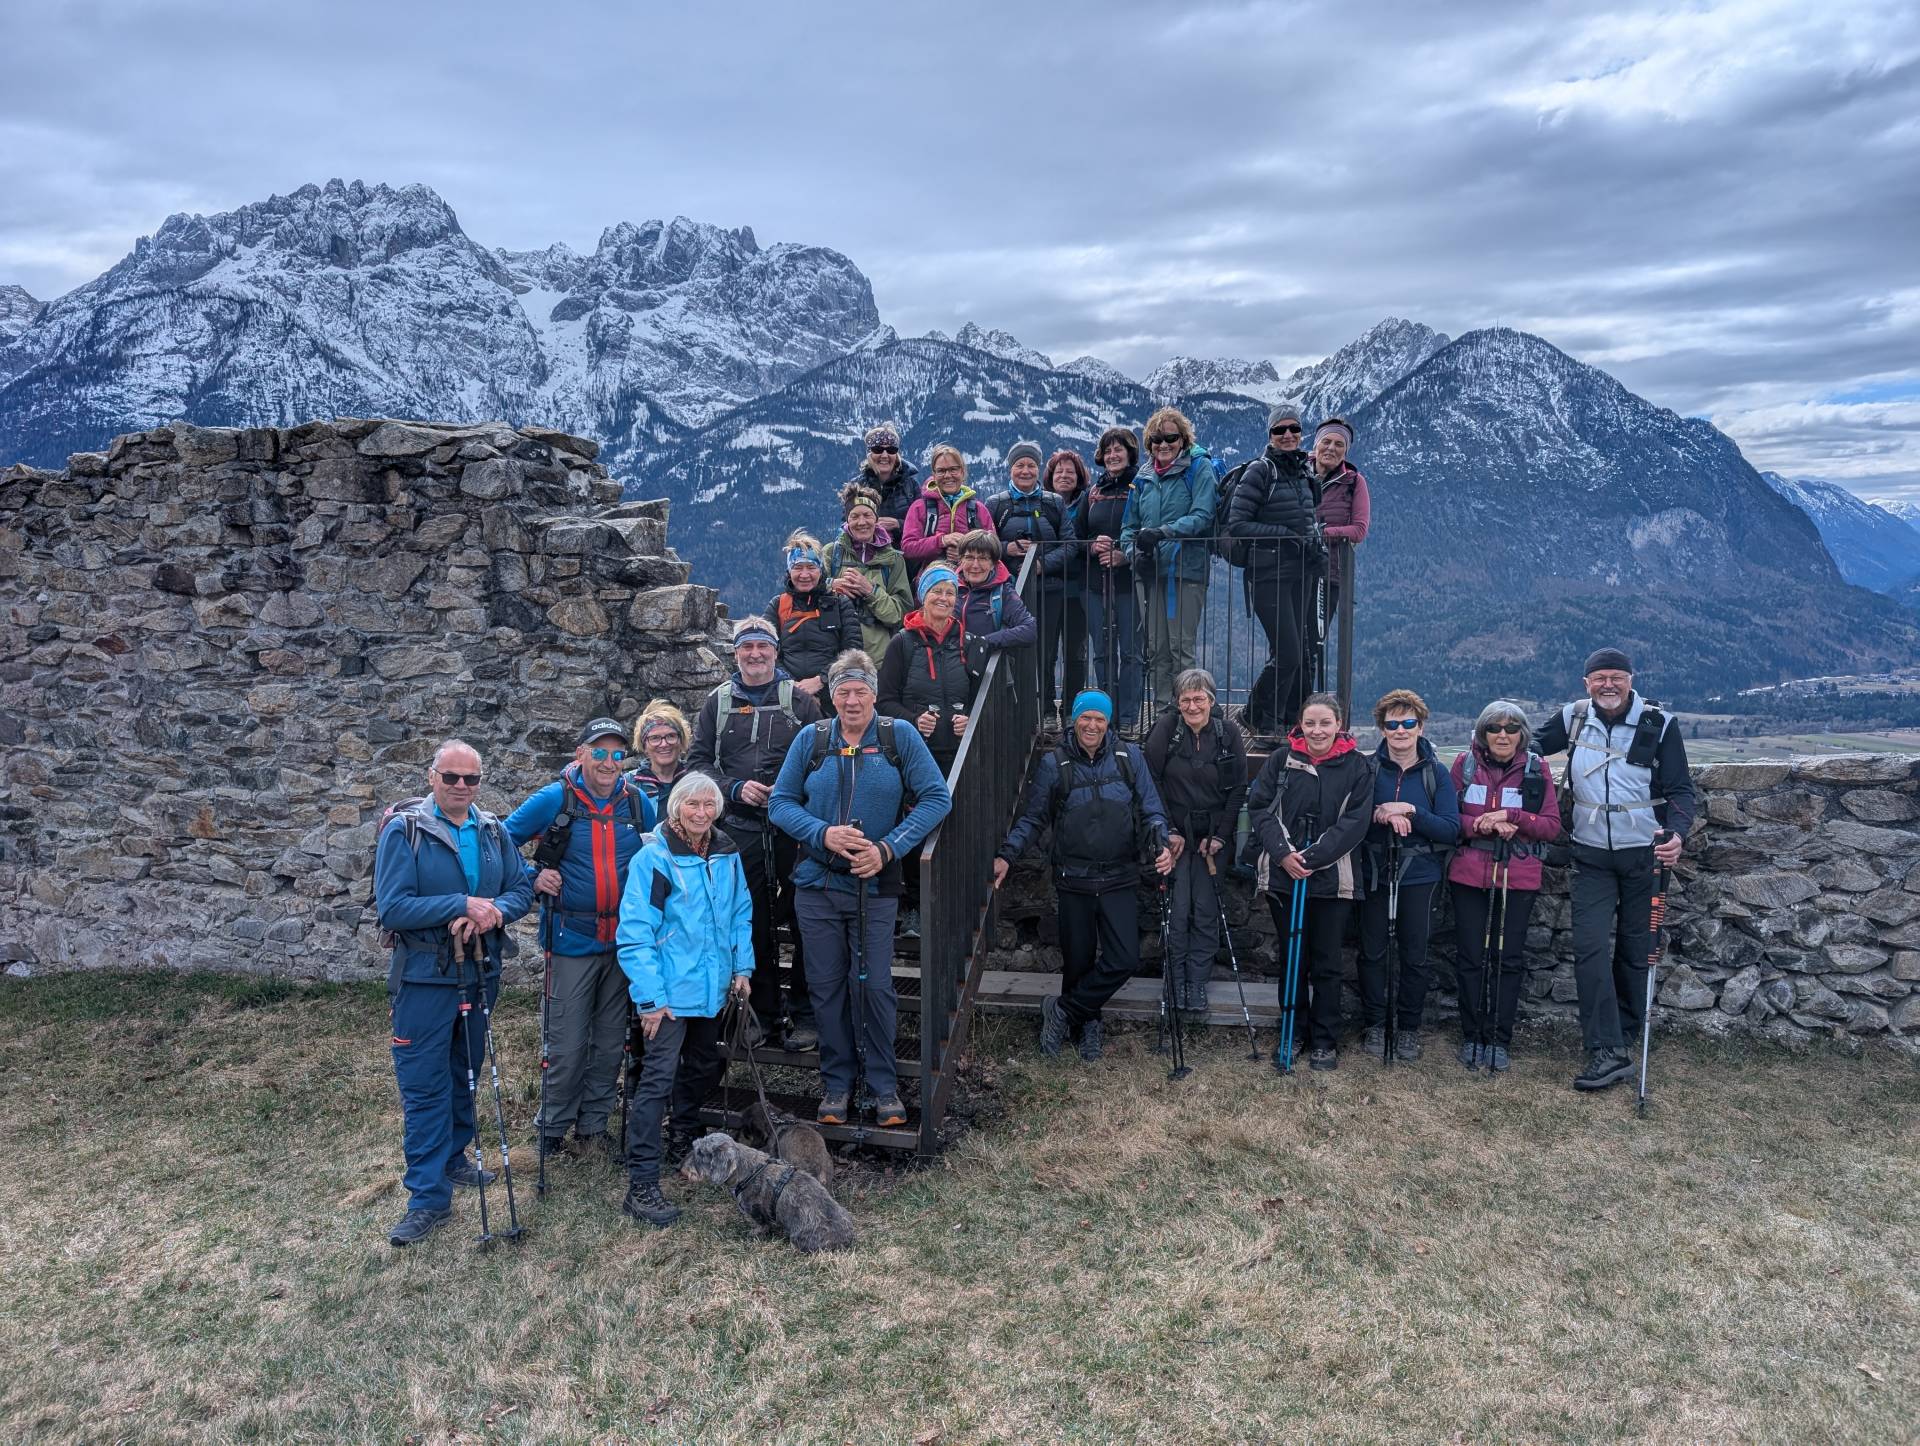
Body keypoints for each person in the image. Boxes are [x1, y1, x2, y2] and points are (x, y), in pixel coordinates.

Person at [769, 649, 953, 1126]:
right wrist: (822, 833)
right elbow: (781, 804)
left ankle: (883, 1086)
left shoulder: (899, 736)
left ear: (874, 693)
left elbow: (937, 798)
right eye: (843, 692)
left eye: (860, 691)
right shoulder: (812, 739)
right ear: (831, 696)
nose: (852, 700)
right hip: (815, 885)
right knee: (827, 988)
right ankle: (835, 1084)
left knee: (874, 988)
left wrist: (888, 849)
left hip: (875, 888)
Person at [374, 740, 535, 1247]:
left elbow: (520, 890)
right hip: (423, 978)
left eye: (471, 779)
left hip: (479, 971)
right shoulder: (405, 832)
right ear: (432, 778)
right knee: (424, 1087)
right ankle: (427, 1198)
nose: (461, 787)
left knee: (465, 1071)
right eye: (451, 778)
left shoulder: (492, 831)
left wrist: (493, 911)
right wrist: (459, 903)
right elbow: (393, 908)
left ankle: (455, 1158)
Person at [1534, 649, 1695, 1092]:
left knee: (1635, 949)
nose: (1608, 685)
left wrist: (1677, 832)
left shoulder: (1659, 723)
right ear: (1586, 682)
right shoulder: (1572, 718)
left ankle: (1625, 1033)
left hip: (1645, 854)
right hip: (1589, 855)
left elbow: (1681, 789)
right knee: (1588, 949)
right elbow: (1525, 748)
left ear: (1631, 679)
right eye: (1599, 678)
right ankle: (1606, 1049)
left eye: (1616, 677)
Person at [502, 719, 659, 1165]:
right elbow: (500, 841)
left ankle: (593, 1127)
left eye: (616, 755)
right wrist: (534, 877)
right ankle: (552, 1128)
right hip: (571, 939)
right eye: (599, 752)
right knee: (567, 1043)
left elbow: (656, 853)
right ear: (580, 754)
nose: (609, 762)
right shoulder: (555, 798)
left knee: (611, 1043)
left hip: (623, 943)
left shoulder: (638, 802)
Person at [993, 690, 1174, 1061]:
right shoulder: (1054, 764)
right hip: (1073, 878)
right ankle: (1085, 1027)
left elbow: (1151, 808)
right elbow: (1033, 818)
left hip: (1119, 876)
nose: (1092, 725)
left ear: (1109, 724)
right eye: (1085, 718)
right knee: (1077, 963)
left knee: (1123, 959)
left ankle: (1060, 1011)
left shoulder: (1128, 757)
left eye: (1100, 719)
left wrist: (1162, 842)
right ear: (1073, 720)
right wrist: (1007, 856)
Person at [613, 772, 754, 1227]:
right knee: (656, 1082)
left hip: (712, 990)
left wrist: (742, 968)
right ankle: (642, 1182)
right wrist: (651, 999)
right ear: (675, 808)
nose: (700, 813)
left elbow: (740, 913)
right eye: (691, 805)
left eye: (708, 805)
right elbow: (636, 933)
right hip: (669, 995)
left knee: (704, 1066)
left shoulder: (727, 854)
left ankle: (684, 1139)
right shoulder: (654, 859)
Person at [688, 616, 823, 1050]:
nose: (755, 654)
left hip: (794, 830)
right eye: (746, 647)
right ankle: (762, 1013)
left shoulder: (800, 704)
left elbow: (823, 759)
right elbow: (698, 764)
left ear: (775, 652)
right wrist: (734, 788)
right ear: (735, 653)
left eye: (763, 646)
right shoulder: (717, 703)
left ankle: (804, 1014)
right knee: (749, 924)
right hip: (740, 828)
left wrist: (788, 792)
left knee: (807, 919)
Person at [1247, 693, 1373, 1072]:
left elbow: (1355, 823)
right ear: (1300, 724)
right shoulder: (1280, 761)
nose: (1317, 731)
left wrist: (1313, 858)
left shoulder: (1357, 767)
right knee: (1292, 957)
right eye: (1310, 723)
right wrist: (1285, 854)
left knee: (1327, 961)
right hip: (1285, 876)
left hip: (1334, 880)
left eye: (1325, 723)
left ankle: (1324, 1040)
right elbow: (1260, 809)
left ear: (1339, 725)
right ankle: (1293, 1030)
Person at [1448, 700, 1561, 1073]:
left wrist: (1513, 817)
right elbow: (1448, 819)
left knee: (1508, 959)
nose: (1502, 734)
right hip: (1468, 874)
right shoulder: (1463, 767)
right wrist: (1477, 826)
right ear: (1483, 732)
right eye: (1495, 727)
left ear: (1522, 734)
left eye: (1511, 728)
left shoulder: (1536, 770)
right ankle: (1471, 1034)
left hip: (1517, 875)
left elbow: (1550, 825)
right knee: (1470, 957)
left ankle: (1498, 1037)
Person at [1355, 689, 1460, 1062]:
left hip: (1420, 877)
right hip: (1374, 873)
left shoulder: (1436, 774)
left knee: (1415, 955)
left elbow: (1451, 829)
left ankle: (1409, 1029)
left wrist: (1411, 810)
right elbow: (1350, 818)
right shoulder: (1366, 768)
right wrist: (1379, 813)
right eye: (1392, 723)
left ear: (1421, 725)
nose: (1400, 730)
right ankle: (1374, 1023)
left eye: (1408, 723)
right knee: (1372, 952)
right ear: (1382, 729)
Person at [1142, 670, 1249, 1016]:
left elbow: (1237, 790)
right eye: (1185, 699)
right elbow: (1150, 781)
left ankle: (1197, 982)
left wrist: (1220, 835)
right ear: (1177, 702)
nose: (1192, 705)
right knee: (1178, 908)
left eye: (1199, 698)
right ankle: (1174, 980)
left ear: (1212, 701)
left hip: (1211, 838)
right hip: (1174, 835)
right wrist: (1168, 829)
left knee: (1205, 909)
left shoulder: (1227, 733)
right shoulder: (1166, 731)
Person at [1227, 402, 1321, 734]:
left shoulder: (1304, 472)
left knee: (1298, 652)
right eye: (1280, 429)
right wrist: (1283, 536)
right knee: (1289, 655)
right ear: (1270, 434)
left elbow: (1309, 521)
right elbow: (1236, 524)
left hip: (1301, 574)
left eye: (1294, 428)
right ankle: (1257, 716)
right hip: (1268, 575)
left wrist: (1314, 547)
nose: (1288, 435)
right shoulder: (1260, 471)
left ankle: (1282, 718)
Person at [1120, 407, 1217, 717]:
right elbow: (1128, 527)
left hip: (1185, 572)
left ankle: (1188, 712)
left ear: (1182, 439)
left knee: (1180, 647)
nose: (1164, 445)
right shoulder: (1143, 477)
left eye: (1171, 438)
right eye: (1157, 439)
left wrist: (1162, 533)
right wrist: (1136, 553)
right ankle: (1164, 714)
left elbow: (1203, 515)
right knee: (1156, 648)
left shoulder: (1198, 468)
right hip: (1151, 573)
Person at [988, 440, 1077, 715]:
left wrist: (1041, 564)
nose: (1025, 471)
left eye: (1030, 465)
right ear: (1010, 469)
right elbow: (982, 546)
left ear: (1038, 470)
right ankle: (1021, 712)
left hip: (1049, 589)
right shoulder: (996, 504)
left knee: (1047, 652)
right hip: (1009, 591)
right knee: (1015, 651)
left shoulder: (1054, 503)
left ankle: (1047, 710)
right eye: (1019, 465)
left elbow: (1070, 545)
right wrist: (1007, 549)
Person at [878, 565, 980, 776]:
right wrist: (915, 720)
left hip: (960, 753)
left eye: (950, 593)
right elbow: (884, 701)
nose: (943, 598)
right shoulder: (901, 643)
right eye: (936, 590)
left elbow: (981, 698)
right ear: (924, 595)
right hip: (915, 752)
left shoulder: (968, 643)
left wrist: (970, 719)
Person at [1083, 427, 1141, 729]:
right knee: (1103, 653)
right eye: (1107, 451)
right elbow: (1078, 537)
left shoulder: (1141, 486)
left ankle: (1129, 718)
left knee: (1131, 652)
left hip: (1130, 583)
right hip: (1096, 585)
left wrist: (1124, 554)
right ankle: (1107, 715)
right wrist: (1093, 546)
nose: (1112, 455)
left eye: (1119, 449)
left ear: (1130, 453)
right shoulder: (1095, 492)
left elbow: (1145, 530)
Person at [765, 530, 862, 704]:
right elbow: (767, 651)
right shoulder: (778, 605)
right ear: (789, 570)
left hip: (833, 696)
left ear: (820, 570)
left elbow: (852, 652)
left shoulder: (839, 604)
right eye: (797, 567)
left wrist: (821, 680)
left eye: (811, 567)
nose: (804, 575)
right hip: (787, 696)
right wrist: (792, 685)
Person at [823, 482, 912, 659]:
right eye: (854, 516)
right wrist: (831, 585)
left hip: (878, 659)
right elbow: (807, 594)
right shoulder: (831, 553)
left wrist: (870, 591)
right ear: (847, 520)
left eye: (867, 515)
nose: (861, 522)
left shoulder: (893, 560)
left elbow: (900, 615)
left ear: (876, 519)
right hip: (836, 656)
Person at [900, 444, 996, 582]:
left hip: (973, 585)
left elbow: (993, 549)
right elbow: (908, 548)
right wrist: (942, 541)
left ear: (962, 472)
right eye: (941, 471)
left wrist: (965, 554)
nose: (947, 475)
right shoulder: (920, 508)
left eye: (953, 469)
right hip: (931, 585)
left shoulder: (978, 509)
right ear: (934, 475)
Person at [1043, 449, 1092, 712]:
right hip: (1048, 590)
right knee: (1047, 654)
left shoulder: (1088, 502)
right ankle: (1047, 708)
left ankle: (1072, 710)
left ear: (1079, 477)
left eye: (1070, 472)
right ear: (1050, 477)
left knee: (1075, 655)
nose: (1064, 476)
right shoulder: (1043, 504)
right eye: (1059, 471)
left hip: (1078, 589)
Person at [1311, 417, 1370, 615]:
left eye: (1339, 444)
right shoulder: (1297, 473)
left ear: (1345, 451)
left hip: (1329, 573)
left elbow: (1359, 530)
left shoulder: (1354, 482)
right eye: (1326, 442)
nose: (1331, 448)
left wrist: (1320, 533)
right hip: (1290, 569)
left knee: (1314, 640)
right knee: (1285, 640)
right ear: (1316, 444)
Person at [954, 529, 1038, 664]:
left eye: (983, 558)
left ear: (993, 563)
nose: (975, 565)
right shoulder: (948, 587)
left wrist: (985, 642)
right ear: (961, 560)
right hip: (951, 671)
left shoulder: (1003, 591)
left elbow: (1029, 629)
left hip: (985, 675)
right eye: (969, 557)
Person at [851, 421, 920, 538]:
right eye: (878, 449)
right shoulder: (857, 486)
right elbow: (847, 524)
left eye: (891, 450)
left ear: (896, 454)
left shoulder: (911, 486)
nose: (884, 455)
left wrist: (899, 524)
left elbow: (922, 524)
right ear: (870, 454)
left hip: (905, 553)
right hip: (868, 553)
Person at [629, 700, 691, 811]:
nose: (664, 744)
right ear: (644, 746)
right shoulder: (629, 784)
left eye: (671, 736)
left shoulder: (695, 779)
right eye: (655, 738)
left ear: (681, 741)